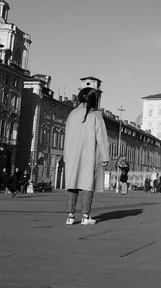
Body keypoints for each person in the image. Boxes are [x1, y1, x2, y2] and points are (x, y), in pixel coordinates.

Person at [64, 87, 110, 225]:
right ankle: (85, 216)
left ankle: (70, 216)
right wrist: (105, 157)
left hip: (72, 154)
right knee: (87, 185)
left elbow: (67, 137)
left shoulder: (72, 114)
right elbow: (101, 138)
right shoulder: (96, 115)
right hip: (89, 155)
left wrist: (66, 155)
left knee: (73, 185)